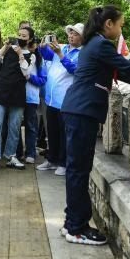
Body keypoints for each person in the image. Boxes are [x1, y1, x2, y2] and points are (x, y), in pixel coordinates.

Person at [60, 6, 130, 246]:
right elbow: (129, 67)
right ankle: (77, 228)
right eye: (120, 25)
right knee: (78, 170)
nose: (120, 30)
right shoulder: (101, 45)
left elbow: (122, 73)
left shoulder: (93, 44)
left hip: (78, 110)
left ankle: (71, 222)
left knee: (76, 169)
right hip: (83, 110)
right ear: (108, 24)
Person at [0, 26, 34, 176]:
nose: (20, 38)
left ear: (30, 39)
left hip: (17, 94)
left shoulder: (31, 56)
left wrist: (20, 55)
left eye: (24, 36)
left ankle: (11, 155)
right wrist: (5, 47)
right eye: (19, 35)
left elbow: (27, 73)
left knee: (14, 127)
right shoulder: (7, 50)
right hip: (0, 92)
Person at [37, 24, 83, 175]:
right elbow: (47, 56)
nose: (71, 36)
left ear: (82, 37)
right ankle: (52, 160)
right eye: (70, 33)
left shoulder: (82, 53)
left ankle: (63, 163)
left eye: (75, 34)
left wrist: (60, 55)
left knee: (64, 134)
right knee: (52, 132)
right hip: (51, 98)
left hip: (66, 99)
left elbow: (74, 69)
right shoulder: (62, 48)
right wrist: (43, 48)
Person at [24, 36, 46, 165]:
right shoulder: (19, 56)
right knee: (14, 125)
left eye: (32, 44)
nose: (31, 46)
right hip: (16, 97)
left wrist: (30, 77)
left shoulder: (39, 60)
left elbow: (42, 80)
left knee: (31, 126)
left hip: (31, 97)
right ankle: (17, 152)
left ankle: (30, 152)